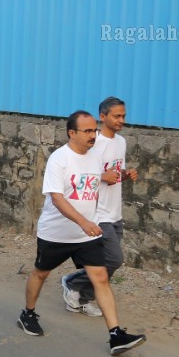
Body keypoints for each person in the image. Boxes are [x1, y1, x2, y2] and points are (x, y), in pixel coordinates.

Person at [20, 111, 146, 355]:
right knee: (41, 273)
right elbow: (57, 198)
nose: (93, 135)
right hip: (57, 233)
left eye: (94, 130)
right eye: (88, 131)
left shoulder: (95, 157)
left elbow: (97, 181)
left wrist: (122, 175)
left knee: (100, 278)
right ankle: (28, 312)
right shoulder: (60, 159)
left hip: (87, 234)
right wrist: (82, 221)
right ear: (72, 133)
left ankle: (115, 335)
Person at [62, 97, 138, 317]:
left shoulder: (121, 142)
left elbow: (117, 172)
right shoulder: (94, 143)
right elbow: (82, 173)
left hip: (115, 211)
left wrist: (126, 173)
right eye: (116, 116)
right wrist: (102, 175)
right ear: (103, 117)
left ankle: (80, 299)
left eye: (123, 116)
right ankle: (73, 281)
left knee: (107, 263)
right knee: (114, 259)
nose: (121, 120)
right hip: (98, 211)